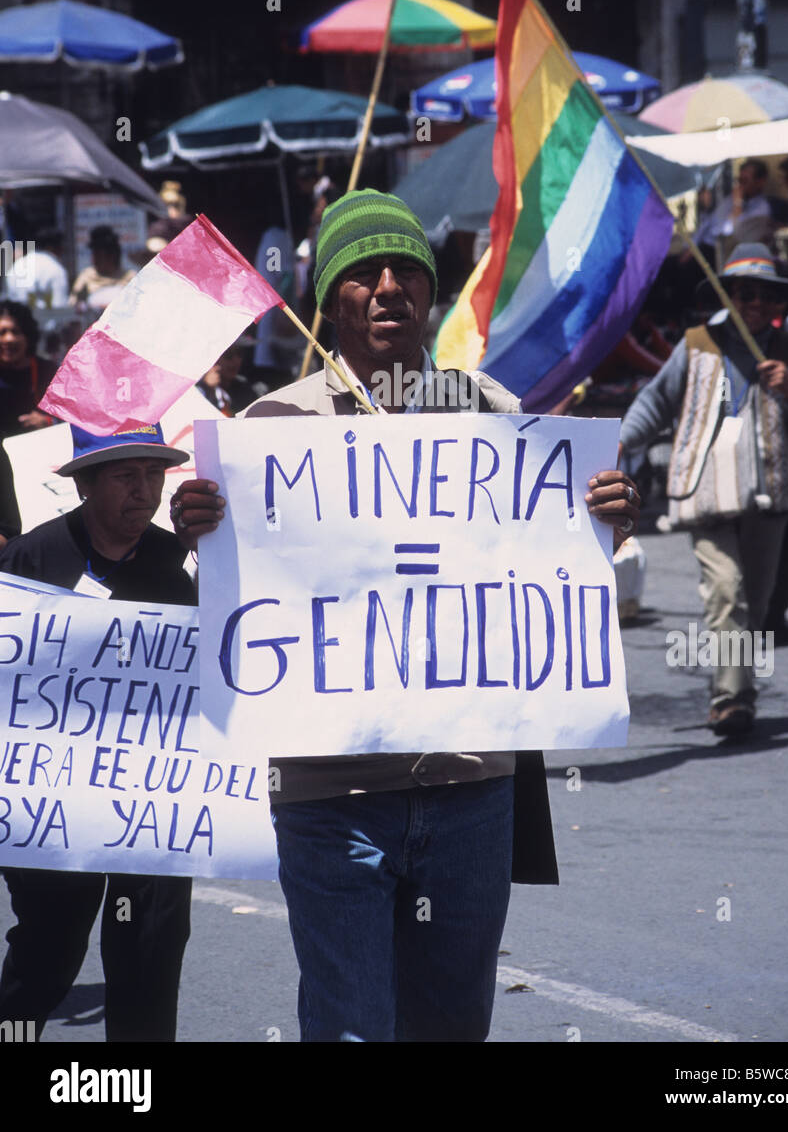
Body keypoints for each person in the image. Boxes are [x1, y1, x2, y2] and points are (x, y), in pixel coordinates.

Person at [170, 187, 640, 1043]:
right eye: (362, 271)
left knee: (453, 1024)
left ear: (428, 293)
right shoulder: (269, 433)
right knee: (352, 1026)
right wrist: (198, 530)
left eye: (407, 271)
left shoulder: (494, 418)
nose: (388, 286)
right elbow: (228, 600)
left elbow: (555, 557)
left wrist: (605, 510)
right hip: (330, 795)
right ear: (331, 299)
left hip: (471, 789)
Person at [0, 421, 195, 1042]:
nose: (144, 492)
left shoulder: (173, 562)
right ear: (84, 484)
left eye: (154, 474)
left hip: (150, 803)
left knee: (149, 954)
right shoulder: (30, 560)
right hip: (54, 807)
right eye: (124, 476)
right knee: (47, 952)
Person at [620, 244, 788, 737]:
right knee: (725, 590)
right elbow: (655, 402)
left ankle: (738, 687)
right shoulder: (696, 343)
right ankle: (731, 699)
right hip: (704, 491)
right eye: (744, 292)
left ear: (780, 302)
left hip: (770, 496)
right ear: (729, 295)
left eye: (766, 295)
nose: (755, 303)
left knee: (754, 605)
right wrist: (621, 441)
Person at [0, 301, 56, 544]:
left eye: (16, 332)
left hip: (37, 477)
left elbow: (74, 416)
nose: (9, 339)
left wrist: (48, 420)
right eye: (1, 332)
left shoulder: (47, 371)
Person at [693, 159, 775, 266]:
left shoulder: (761, 208)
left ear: (760, 182)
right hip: (705, 247)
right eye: (739, 180)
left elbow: (728, 231)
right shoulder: (731, 199)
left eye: (745, 181)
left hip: (723, 254)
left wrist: (737, 206)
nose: (740, 186)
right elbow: (712, 224)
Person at [70, 226, 136, 311]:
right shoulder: (86, 276)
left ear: (112, 256)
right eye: (94, 255)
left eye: (99, 256)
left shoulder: (131, 277)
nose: (94, 260)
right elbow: (74, 304)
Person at [3, 229, 70, 308]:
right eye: (62, 247)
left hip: (15, 317)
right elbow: (59, 307)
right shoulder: (55, 269)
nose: (63, 250)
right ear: (52, 247)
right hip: (43, 319)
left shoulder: (17, 265)